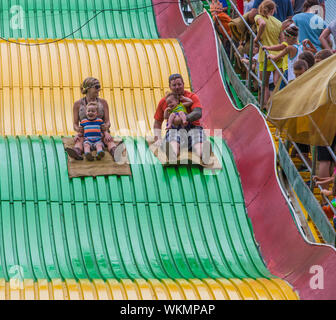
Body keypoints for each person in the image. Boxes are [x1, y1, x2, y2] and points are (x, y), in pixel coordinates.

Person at [153, 74, 212, 164]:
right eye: (174, 85)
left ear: (183, 84)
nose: (177, 87)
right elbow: (157, 122)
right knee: (173, 151)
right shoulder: (165, 101)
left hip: (193, 128)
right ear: (170, 86)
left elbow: (198, 113)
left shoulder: (190, 97)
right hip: (174, 130)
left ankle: (204, 149)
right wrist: (157, 139)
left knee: (199, 151)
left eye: (179, 84)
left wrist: (181, 120)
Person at [65, 77, 121, 161]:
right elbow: (75, 124)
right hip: (86, 133)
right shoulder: (77, 104)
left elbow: (107, 121)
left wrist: (105, 127)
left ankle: (115, 151)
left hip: (100, 132)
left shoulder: (103, 103)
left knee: (108, 140)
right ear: (88, 88)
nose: (99, 89)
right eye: (97, 87)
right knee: (79, 140)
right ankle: (77, 152)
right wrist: (78, 129)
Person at [253, 0, 283, 105]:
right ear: (273, 10)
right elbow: (282, 40)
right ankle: (275, 106)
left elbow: (263, 24)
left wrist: (257, 38)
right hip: (278, 54)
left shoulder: (258, 17)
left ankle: (265, 106)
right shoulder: (279, 23)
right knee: (277, 84)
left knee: (264, 85)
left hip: (265, 54)